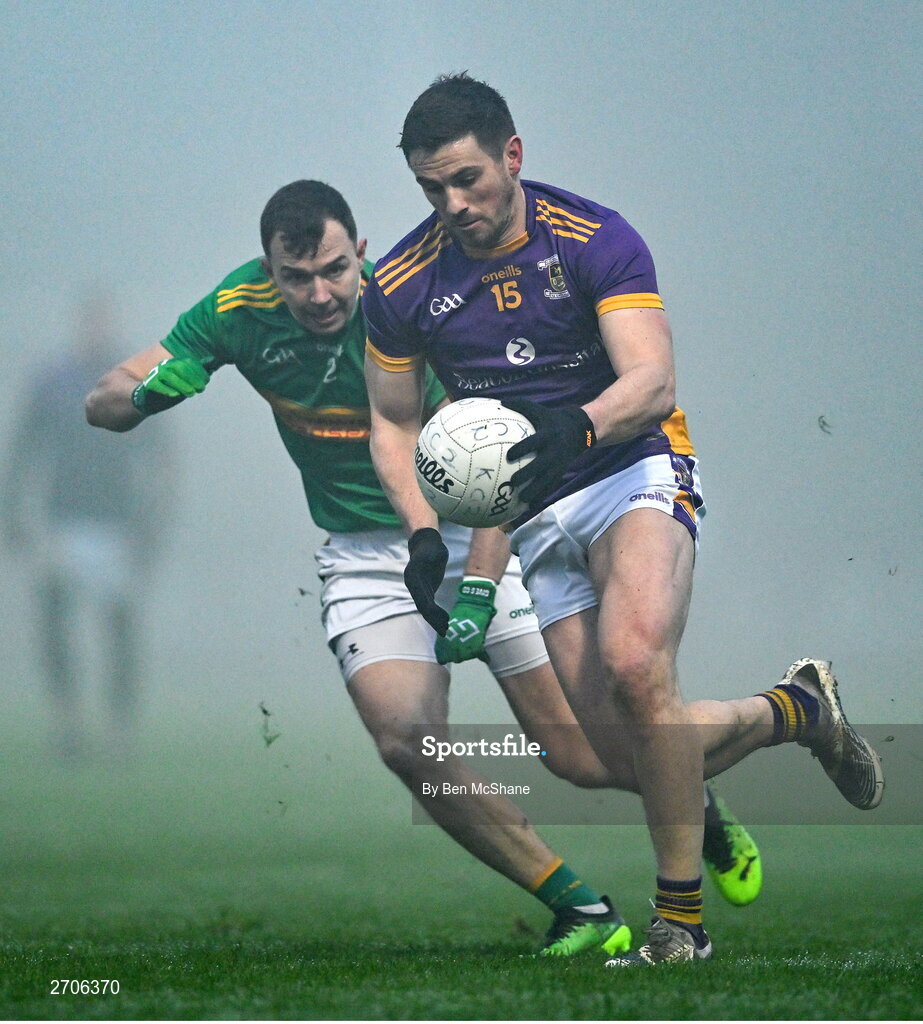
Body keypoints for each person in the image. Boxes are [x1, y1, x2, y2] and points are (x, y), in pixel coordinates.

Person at [84, 179, 768, 956]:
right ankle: (579, 907)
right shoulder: (237, 309)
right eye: (296, 277)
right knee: (407, 741)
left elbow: (498, 472)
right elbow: (99, 401)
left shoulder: (410, 307)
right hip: (363, 553)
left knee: (586, 757)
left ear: (361, 253)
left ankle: (705, 794)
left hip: (485, 529)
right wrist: (143, 393)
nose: (318, 293)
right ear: (268, 270)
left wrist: (474, 581)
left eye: (335, 270)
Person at [362, 74, 885, 966]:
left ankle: (678, 925)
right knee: (598, 758)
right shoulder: (405, 282)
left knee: (637, 664)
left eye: (467, 180)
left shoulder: (595, 238)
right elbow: (393, 419)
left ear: (512, 156)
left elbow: (651, 380)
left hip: (629, 466)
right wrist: (420, 531)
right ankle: (795, 710)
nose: (452, 204)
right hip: (528, 510)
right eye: (429, 188)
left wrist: (581, 422)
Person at [2, 293, 168, 758]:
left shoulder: (136, 377)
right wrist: (13, 511)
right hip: (64, 519)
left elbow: (159, 455)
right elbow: (25, 447)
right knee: (55, 621)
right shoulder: (55, 380)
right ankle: (67, 722)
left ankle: (119, 729)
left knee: (119, 626)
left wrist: (154, 521)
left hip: (118, 522)